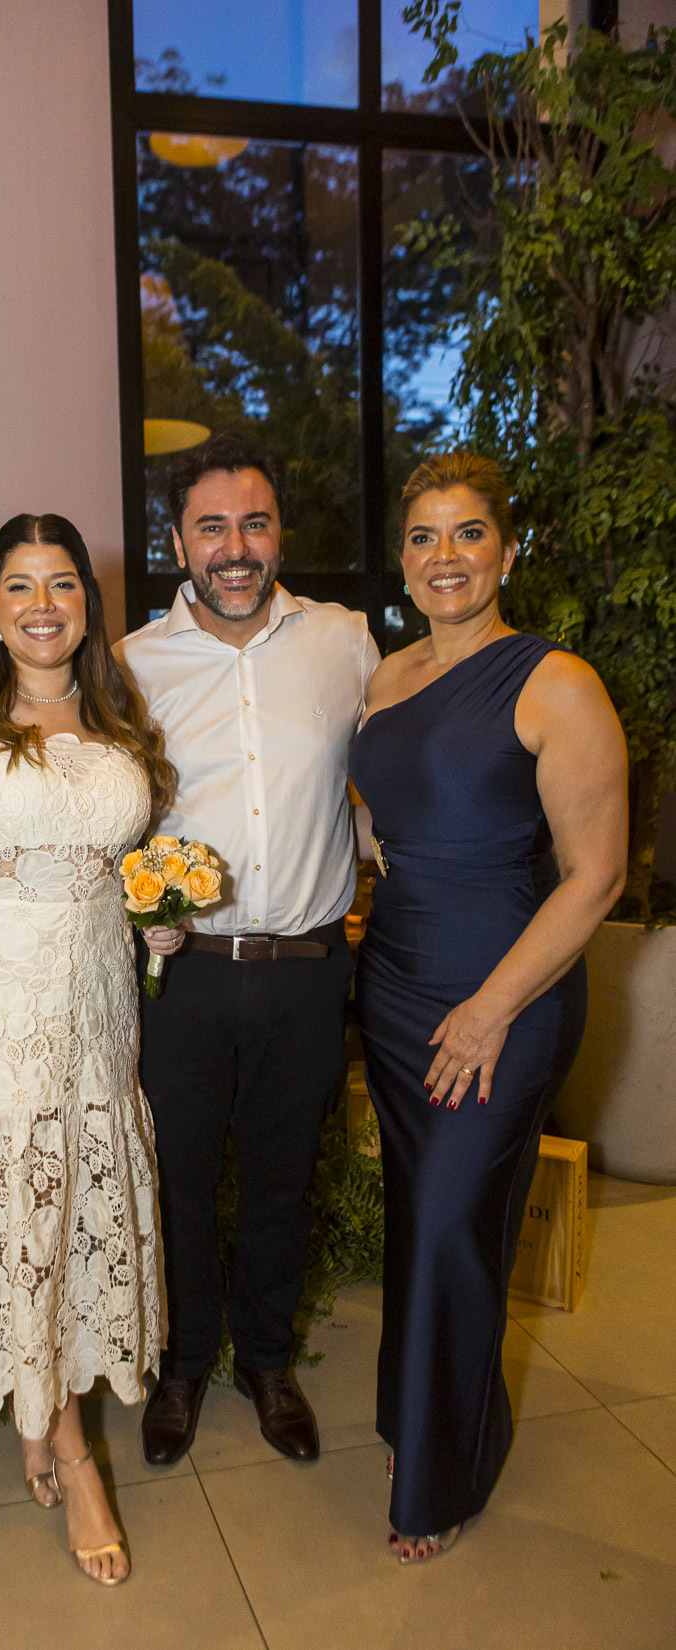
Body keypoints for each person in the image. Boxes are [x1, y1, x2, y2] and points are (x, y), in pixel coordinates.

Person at [350, 452, 627, 1563]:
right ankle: (418, 1418)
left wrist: (488, 1009)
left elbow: (596, 877)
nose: (444, 556)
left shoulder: (556, 683)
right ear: (401, 560)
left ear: (506, 552)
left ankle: (441, 1475)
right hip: (395, 980)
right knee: (417, 1216)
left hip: (506, 992)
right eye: (422, 536)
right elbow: (386, 812)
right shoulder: (388, 676)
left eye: (467, 533)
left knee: (453, 1221)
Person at [0, 513, 172, 1586]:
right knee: (25, 1217)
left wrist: (161, 918)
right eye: (19, 586)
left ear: (86, 608)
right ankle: (70, 1452)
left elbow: (125, 871)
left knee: (70, 1220)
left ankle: (39, 1409)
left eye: (61, 584)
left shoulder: (120, 722)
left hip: (100, 1010)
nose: (42, 605)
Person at [116, 432, 380, 1466]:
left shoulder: (345, 643)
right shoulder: (131, 665)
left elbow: (384, 776)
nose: (235, 548)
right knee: (177, 1183)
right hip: (181, 979)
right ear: (179, 541)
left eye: (254, 524)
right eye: (212, 527)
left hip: (307, 973)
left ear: (280, 534)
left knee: (282, 1179)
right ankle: (183, 1364)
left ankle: (266, 1360)